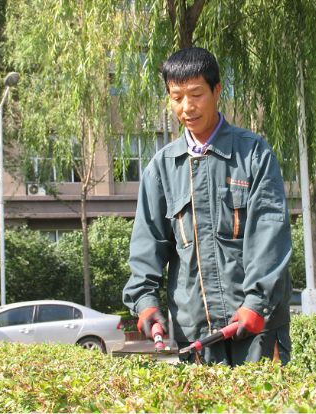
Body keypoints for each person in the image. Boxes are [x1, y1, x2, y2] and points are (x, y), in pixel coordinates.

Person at [123, 47, 292, 366]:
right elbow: (148, 244)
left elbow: (270, 236)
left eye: (196, 94)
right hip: (195, 336)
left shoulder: (254, 154)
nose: (187, 107)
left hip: (256, 329)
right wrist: (145, 302)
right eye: (176, 97)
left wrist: (257, 303)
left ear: (216, 91)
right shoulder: (162, 168)